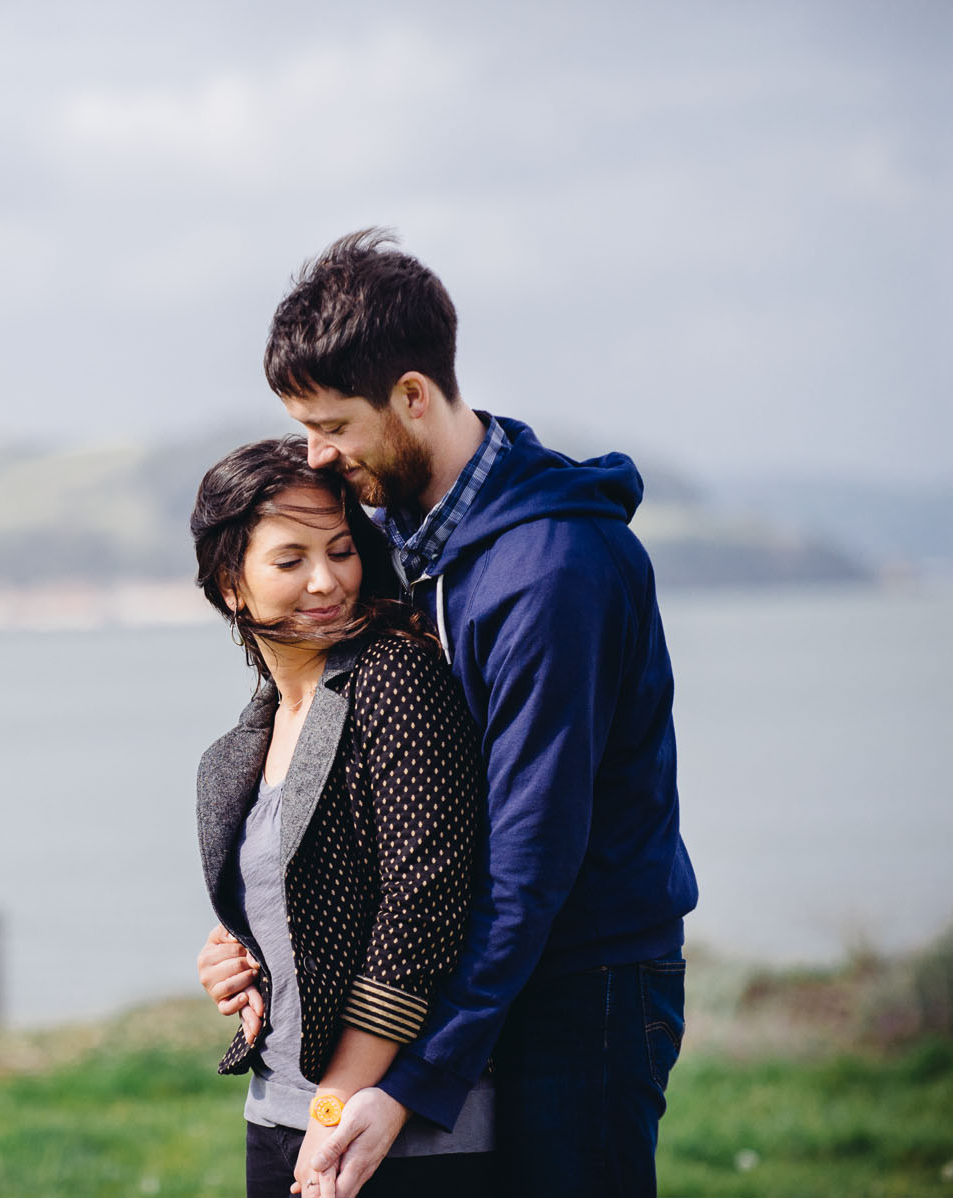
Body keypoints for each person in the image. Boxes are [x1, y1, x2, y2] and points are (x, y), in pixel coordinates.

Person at [210, 228, 699, 1197]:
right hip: (474, 978)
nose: (317, 455)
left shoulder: (551, 574)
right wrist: (257, 934)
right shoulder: (393, 542)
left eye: (334, 426)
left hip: (581, 986)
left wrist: (412, 1081)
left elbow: (531, 859)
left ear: (413, 397)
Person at [190, 437, 495, 1198]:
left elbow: (425, 903)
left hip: (401, 1133)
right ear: (231, 583)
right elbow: (304, 887)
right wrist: (234, 951)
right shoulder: (246, 741)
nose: (326, 582)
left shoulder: (395, 677)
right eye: (289, 561)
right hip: (280, 1115)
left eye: (339, 550)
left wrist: (337, 1103)